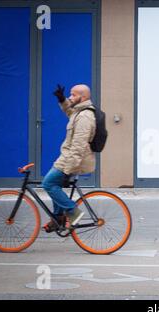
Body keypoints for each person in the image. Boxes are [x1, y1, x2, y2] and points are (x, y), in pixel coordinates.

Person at [42, 84, 96, 232]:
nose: (70, 97)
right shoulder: (79, 112)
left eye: (73, 95)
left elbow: (78, 147)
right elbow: (70, 111)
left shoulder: (85, 116)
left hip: (72, 160)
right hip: (68, 158)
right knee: (55, 186)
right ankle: (58, 218)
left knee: (48, 183)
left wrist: (68, 171)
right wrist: (62, 100)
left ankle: (73, 213)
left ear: (83, 97)